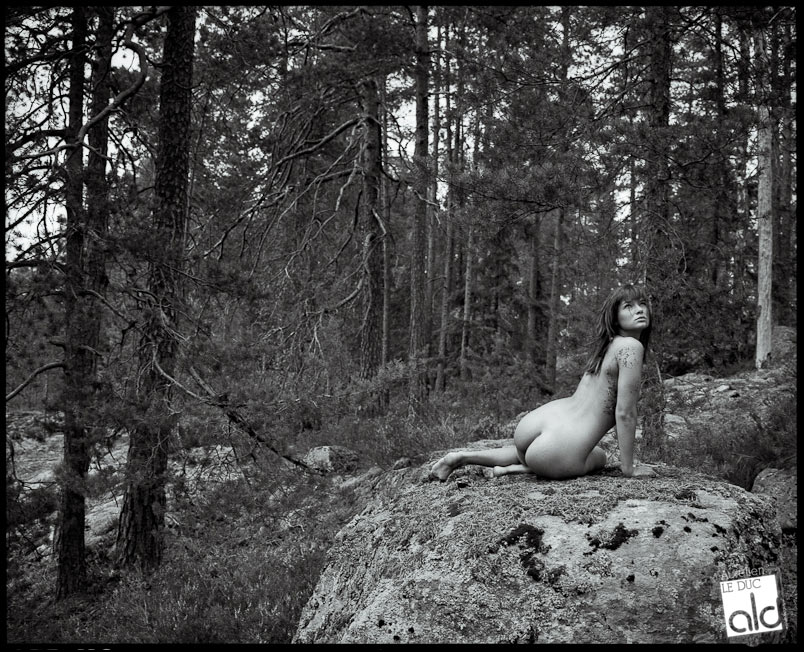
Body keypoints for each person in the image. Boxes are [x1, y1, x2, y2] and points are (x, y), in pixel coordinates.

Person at [430, 283, 658, 481]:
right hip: (555, 448)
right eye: (628, 306)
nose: (639, 310)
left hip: (535, 426)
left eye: (642, 304)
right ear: (615, 317)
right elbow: (625, 413)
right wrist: (629, 468)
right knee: (600, 456)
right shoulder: (631, 347)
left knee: (533, 451)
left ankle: (462, 457)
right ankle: (518, 469)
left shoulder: (607, 346)